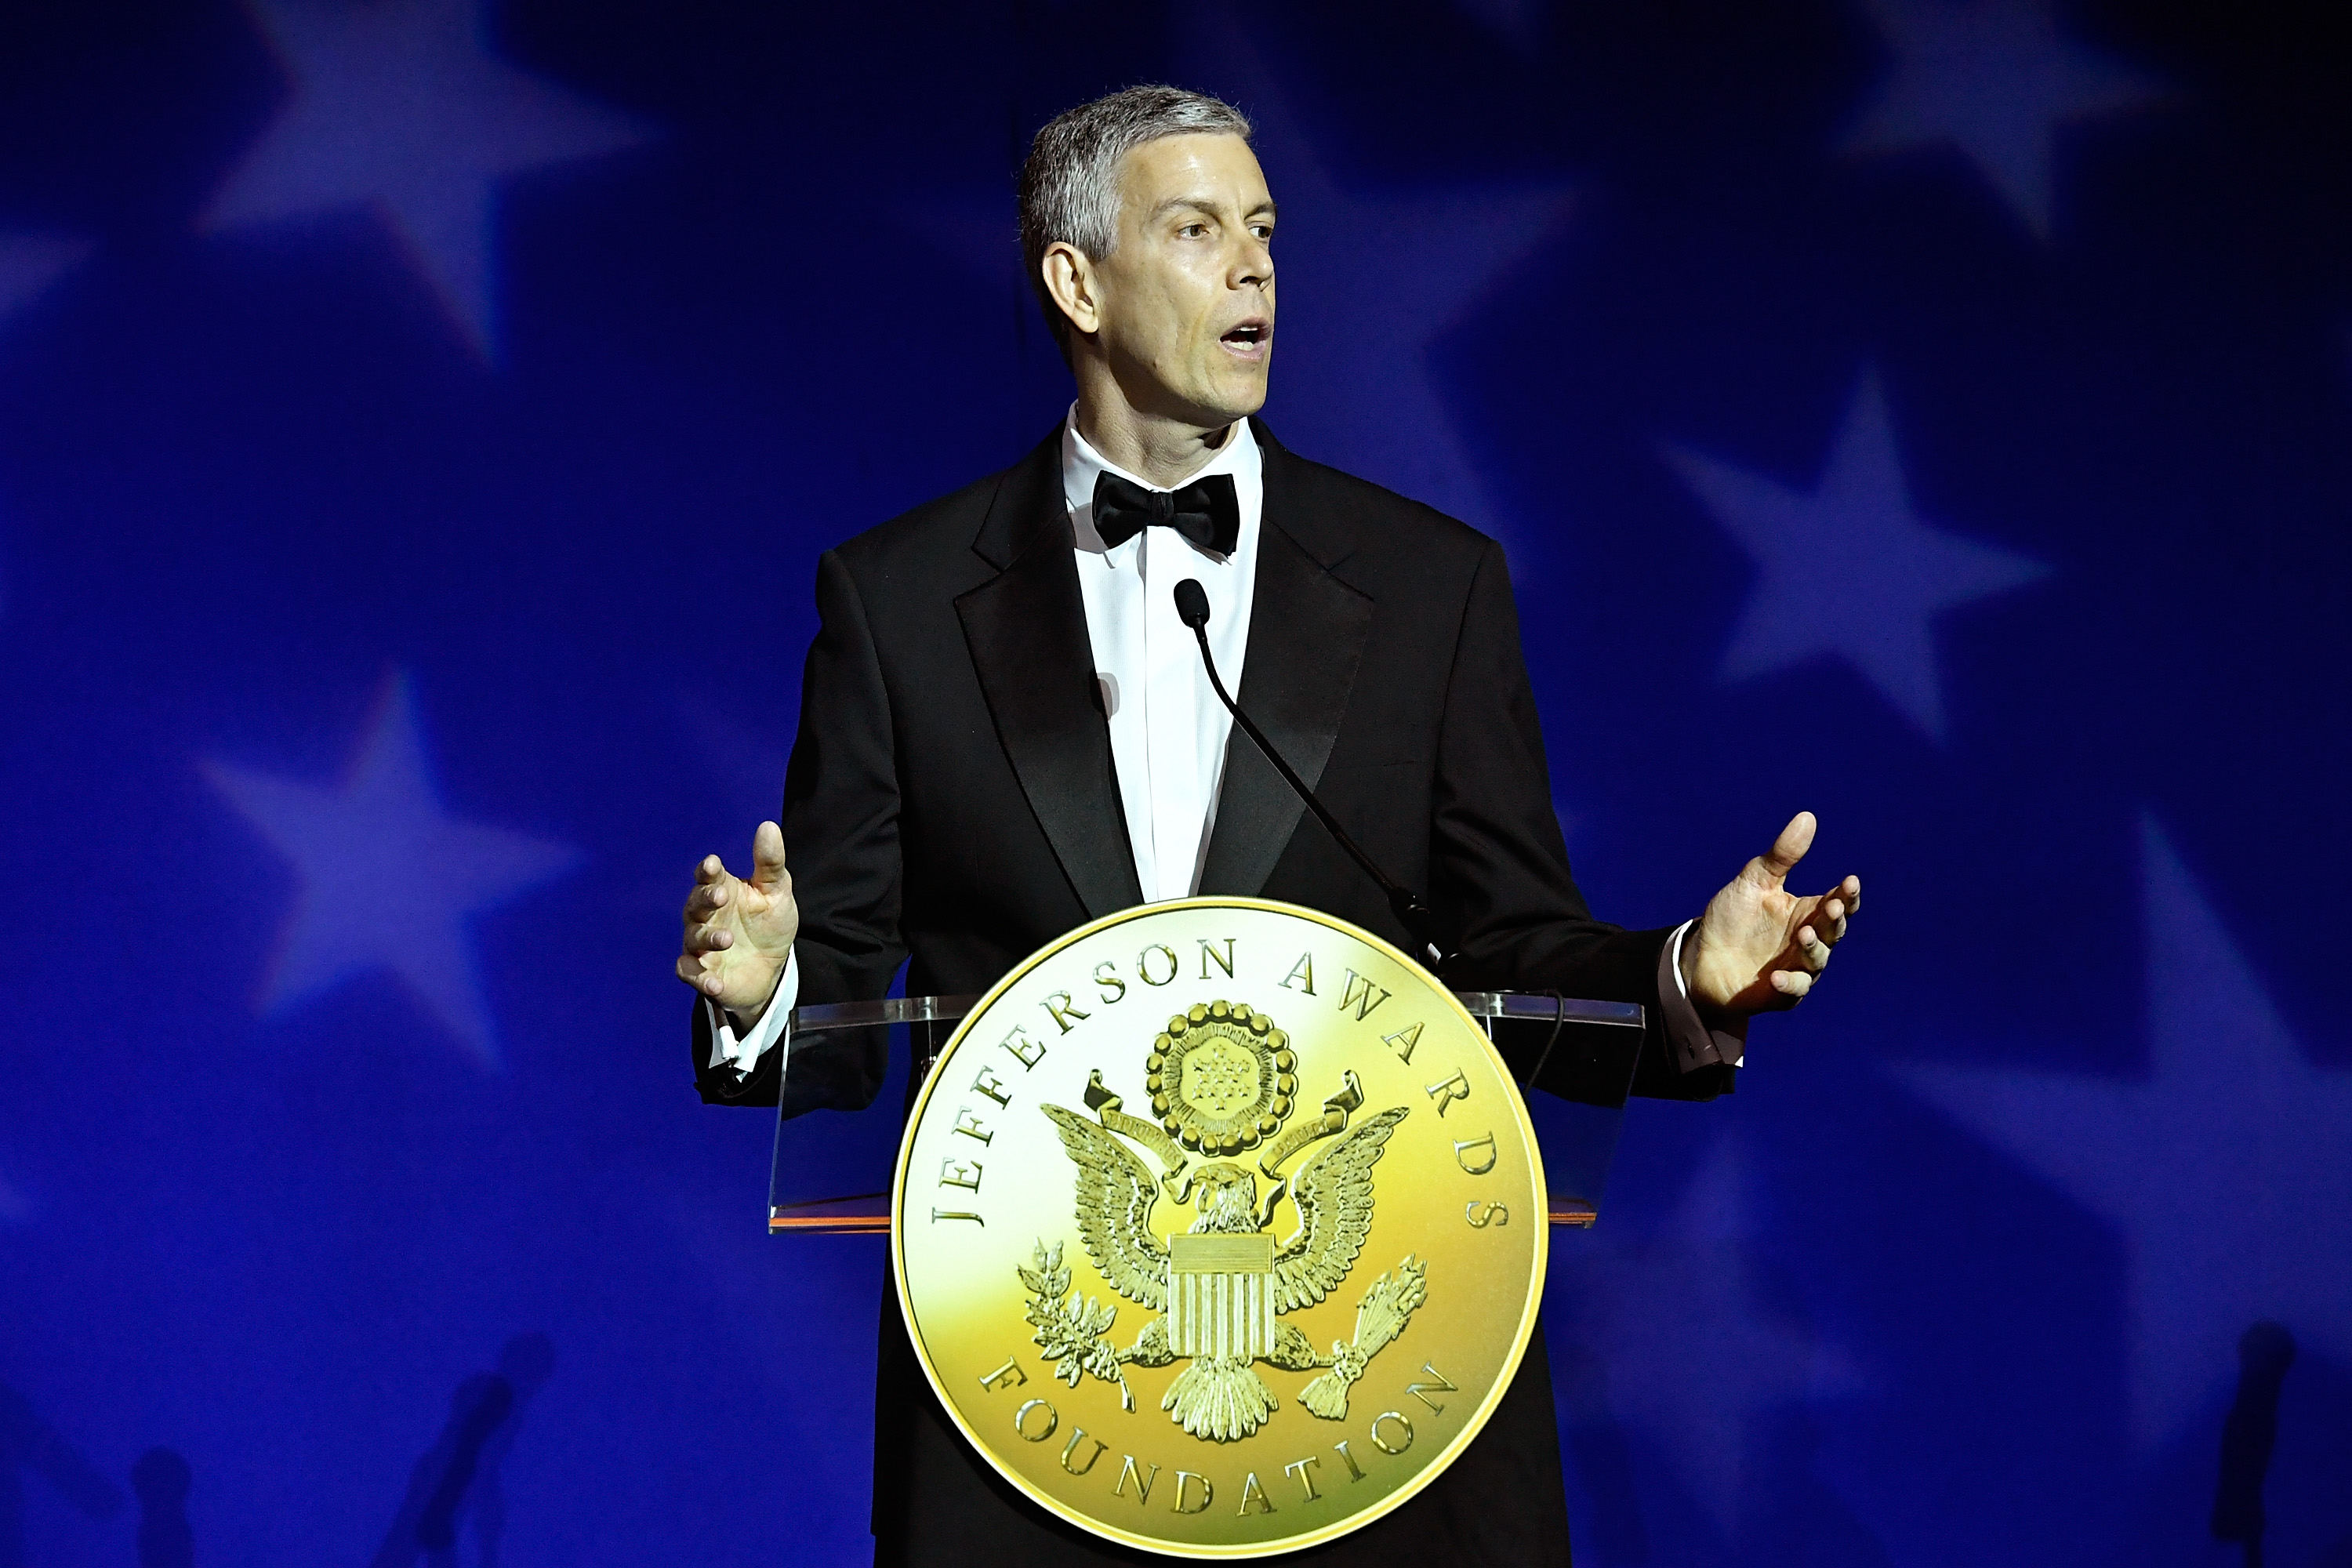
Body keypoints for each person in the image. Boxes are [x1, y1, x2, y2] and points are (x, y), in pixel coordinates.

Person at [675, 85, 1860, 1567]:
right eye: (1196, 230)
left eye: (1265, 229)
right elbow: (849, 994)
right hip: (1040, 1397)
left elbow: (1513, 946)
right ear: (1077, 282)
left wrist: (1685, 976)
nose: (1254, 268)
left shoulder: (1430, 586)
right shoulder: (899, 602)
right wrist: (768, 990)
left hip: (1370, 1399)